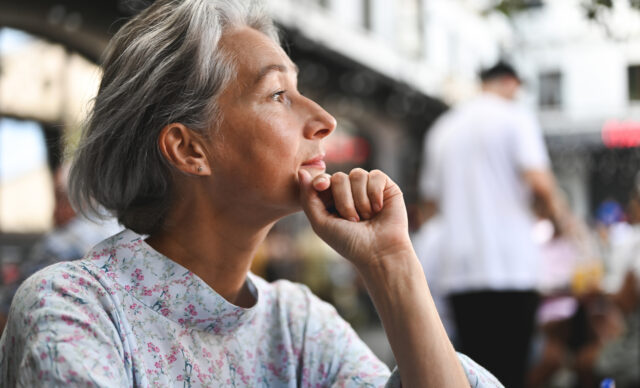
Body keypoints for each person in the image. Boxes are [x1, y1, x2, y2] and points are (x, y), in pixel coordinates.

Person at [0, 1, 502, 386]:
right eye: (278, 95)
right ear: (188, 148)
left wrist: (392, 264)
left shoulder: (298, 325)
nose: (324, 120)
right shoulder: (74, 307)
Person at [419, 61, 566, 388]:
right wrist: (561, 222)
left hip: (460, 270)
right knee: (511, 372)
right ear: (511, 83)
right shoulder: (515, 118)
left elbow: (431, 205)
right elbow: (540, 183)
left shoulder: (443, 129)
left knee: (474, 370)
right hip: (512, 267)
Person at [0, 164, 121, 334]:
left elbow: (9, 310)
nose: (53, 211)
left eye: (57, 198)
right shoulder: (125, 237)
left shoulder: (59, 245)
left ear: (74, 199)